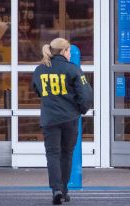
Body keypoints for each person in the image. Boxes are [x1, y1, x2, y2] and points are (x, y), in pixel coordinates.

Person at [32, 38, 93, 205]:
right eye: (68, 51)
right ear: (65, 51)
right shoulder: (73, 69)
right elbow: (86, 94)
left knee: (52, 154)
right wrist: (81, 109)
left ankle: (56, 189)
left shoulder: (40, 70)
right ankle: (64, 190)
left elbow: (37, 90)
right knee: (66, 154)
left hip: (50, 119)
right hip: (69, 118)